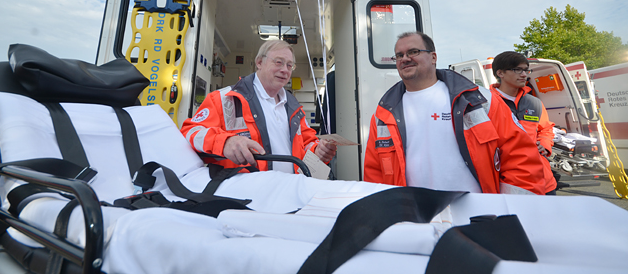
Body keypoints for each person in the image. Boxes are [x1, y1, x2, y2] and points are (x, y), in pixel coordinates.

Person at [363, 32, 545, 195]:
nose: (405, 58)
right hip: (414, 215)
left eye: (413, 52)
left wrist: (512, 209)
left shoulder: (480, 100)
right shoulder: (383, 114)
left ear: (433, 57)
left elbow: (520, 156)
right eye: (399, 55)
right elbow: (375, 172)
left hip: (477, 215)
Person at [181, 39, 337, 173]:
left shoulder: (295, 108)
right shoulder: (224, 99)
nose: (284, 70)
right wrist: (225, 142)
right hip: (244, 197)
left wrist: (318, 150)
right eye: (278, 62)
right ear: (259, 62)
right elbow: (189, 134)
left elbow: (306, 143)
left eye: (290, 65)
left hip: (290, 192)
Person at [491, 51, 558, 195]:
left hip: (545, 182)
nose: (524, 74)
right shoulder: (487, 103)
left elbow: (546, 129)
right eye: (517, 70)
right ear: (500, 73)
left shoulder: (534, 103)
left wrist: (544, 145)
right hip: (509, 183)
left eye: (526, 70)